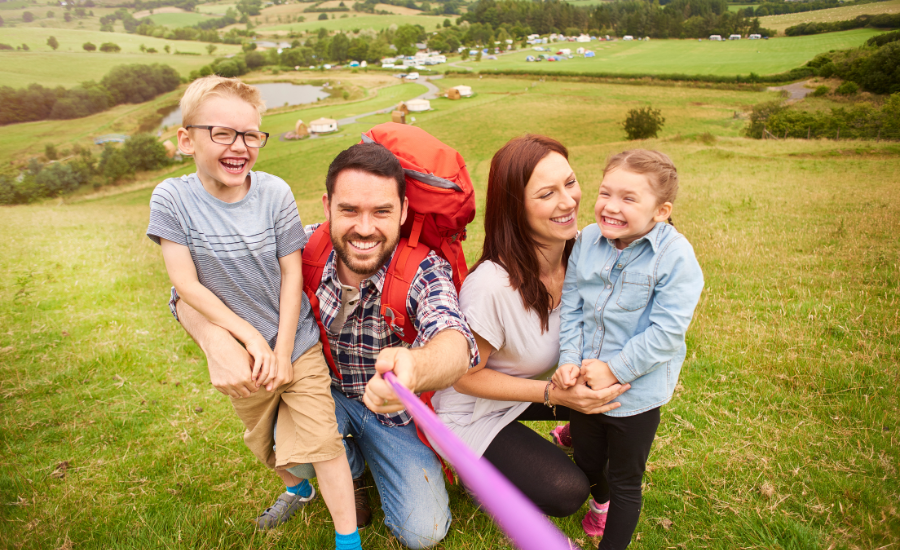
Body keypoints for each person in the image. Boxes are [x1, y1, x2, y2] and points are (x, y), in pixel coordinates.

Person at [173, 142, 477, 549]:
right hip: (319, 396)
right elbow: (180, 294)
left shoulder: (424, 268)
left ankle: (362, 462)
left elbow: (455, 340)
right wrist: (213, 339)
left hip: (393, 418)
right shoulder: (300, 247)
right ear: (327, 206)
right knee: (288, 447)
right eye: (349, 210)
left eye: (382, 212)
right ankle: (347, 475)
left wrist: (416, 366)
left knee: (424, 533)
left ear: (403, 212)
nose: (365, 228)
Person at [145, 76, 361, 550]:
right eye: (221, 133)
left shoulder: (274, 193)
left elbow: (291, 276)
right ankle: (295, 488)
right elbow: (185, 283)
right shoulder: (171, 199)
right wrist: (249, 340)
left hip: (295, 342)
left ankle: (349, 541)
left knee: (323, 445)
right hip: (243, 354)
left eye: (250, 135)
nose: (238, 146)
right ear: (186, 139)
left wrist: (282, 347)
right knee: (266, 445)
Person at [430, 135, 630, 517]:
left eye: (569, 183)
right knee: (567, 492)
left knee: (614, 404)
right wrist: (554, 396)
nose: (568, 201)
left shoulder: (582, 255)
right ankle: (480, 477)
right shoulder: (491, 286)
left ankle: (568, 434)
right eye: (546, 194)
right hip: (470, 412)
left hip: (522, 394)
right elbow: (463, 378)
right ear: (515, 207)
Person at [552, 149, 704, 549]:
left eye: (629, 199)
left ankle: (609, 529)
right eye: (605, 193)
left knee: (624, 480)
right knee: (586, 462)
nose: (611, 207)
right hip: (584, 385)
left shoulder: (675, 257)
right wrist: (568, 360)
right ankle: (595, 494)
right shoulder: (586, 241)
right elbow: (572, 307)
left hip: (635, 397)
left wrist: (615, 369)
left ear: (661, 211)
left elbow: (667, 332)